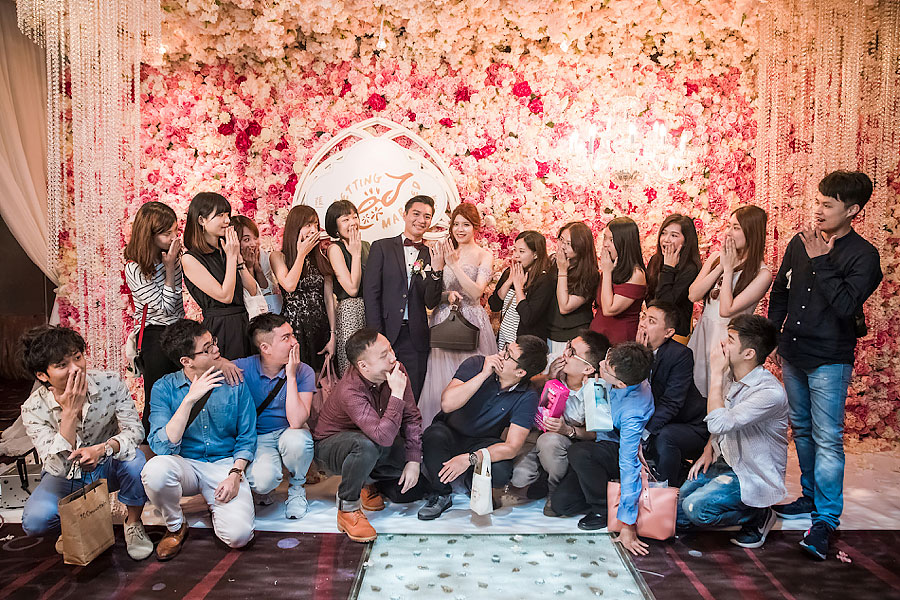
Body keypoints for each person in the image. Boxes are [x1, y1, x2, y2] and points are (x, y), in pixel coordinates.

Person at [768, 171, 883, 560]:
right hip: (793, 351)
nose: (818, 210)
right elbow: (781, 292)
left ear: (852, 210)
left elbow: (847, 306)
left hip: (830, 358)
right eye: (817, 202)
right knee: (802, 429)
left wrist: (821, 260)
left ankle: (826, 519)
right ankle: (810, 496)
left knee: (828, 437)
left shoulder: (864, 256)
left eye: (828, 204)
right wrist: (772, 337)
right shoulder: (799, 242)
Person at [18, 326, 152, 560]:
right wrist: (69, 413)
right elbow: (56, 467)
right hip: (65, 474)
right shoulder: (33, 408)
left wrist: (103, 449)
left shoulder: (110, 382)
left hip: (108, 464)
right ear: (42, 375)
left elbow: (135, 431)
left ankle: (133, 523)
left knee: (135, 461)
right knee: (36, 521)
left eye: (77, 357)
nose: (75, 368)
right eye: (62, 365)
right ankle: (74, 526)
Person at [141, 319, 257, 560]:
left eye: (213, 342)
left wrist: (235, 474)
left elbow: (247, 436)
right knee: (154, 470)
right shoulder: (164, 388)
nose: (216, 349)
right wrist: (189, 400)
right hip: (186, 465)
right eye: (207, 348)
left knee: (239, 537)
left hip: (224, 464)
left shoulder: (233, 380)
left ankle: (212, 504)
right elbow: (161, 446)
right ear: (186, 361)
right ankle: (175, 525)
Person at [677, 315, 788, 549]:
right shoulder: (733, 375)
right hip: (727, 461)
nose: (722, 344)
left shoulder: (769, 393)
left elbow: (719, 423)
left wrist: (716, 374)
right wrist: (708, 449)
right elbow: (720, 418)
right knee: (678, 513)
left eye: (730, 340)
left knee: (695, 509)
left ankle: (758, 514)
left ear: (749, 353)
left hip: (752, 474)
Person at [313, 328, 427, 542]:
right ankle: (347, 509)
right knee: (366, 446)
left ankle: (366, 482)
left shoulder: (396, 369)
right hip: (331, 448)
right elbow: (382, 437)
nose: (393, 358)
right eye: (384, 355)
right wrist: (396, 394)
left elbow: (411, 417)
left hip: (373, 436)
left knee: (420, 456)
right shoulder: (350, 389)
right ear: (363, 366)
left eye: (390, 349)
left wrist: (413, 460)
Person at [416, 335, 549, 521]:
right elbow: (447, 404)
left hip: (483, 440)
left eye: (508, 354)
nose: (500, 354)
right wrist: (484, 374)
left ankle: (472, 481)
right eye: (505, 348)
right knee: (434, 436)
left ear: (520, 372)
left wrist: (470, 459)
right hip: (450, 431)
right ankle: (441, 494)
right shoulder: (477, 364)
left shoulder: (527, 396)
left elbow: (512, 447)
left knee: (502, 472)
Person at [550, 341, 655, 556]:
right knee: (562, 505)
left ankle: (602, 508)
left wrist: (628, 524)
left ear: (621, 384)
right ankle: (602, 489)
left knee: (579, 452)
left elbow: (629, 464)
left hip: (617, 449)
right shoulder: (626, 369)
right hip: (601, 442)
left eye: (606, 368)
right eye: (606, 359)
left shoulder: (633, 412)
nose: (600, 365)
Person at [511, 330, 610, 516]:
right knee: (518, 477)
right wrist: (549, 378)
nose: (565, 353)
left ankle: (553, 488)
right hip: (537, 433)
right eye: (568, 346)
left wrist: (568, 430)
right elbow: (525, 384)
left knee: (549, 441)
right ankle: (542, 476)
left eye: (572, 352)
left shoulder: (596, 389)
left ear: (588, 369)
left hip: (571, 444)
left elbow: (598, 434)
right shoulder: (556, 364)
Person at [420, 203, 498, 425]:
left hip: (471, 322)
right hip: (444, 320)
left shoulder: (484, 255)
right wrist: (447, 295)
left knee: (470, 375)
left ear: (476, 227)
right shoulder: (441, 250)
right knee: (440, 376)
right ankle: (438, 427)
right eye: (456, 224)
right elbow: (433, 294)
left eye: (466, 225)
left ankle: (469, 427)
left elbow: (476, 293)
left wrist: (454, 265)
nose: (460, 229)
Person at [233, 314, 316, 519]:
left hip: (290, 432)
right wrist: (223, 364)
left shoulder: (304, 371)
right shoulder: (243, 368)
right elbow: (210, 364)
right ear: (265, 348)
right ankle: (264, 489)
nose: (295, 342)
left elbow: (297, 421)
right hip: (259, 437)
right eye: (286, 338)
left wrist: (291, 375)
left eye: (293, 335)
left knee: (298, 441)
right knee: (263, 482)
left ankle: (297, 488)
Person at [363, 196, 442, 401]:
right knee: (382, 392)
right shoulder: (381, 247)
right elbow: (371, 294)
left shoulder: (431, 254)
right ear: (404, 214)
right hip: (386, 332)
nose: (421, 220)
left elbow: (431, 302)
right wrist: (376, 335)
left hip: (415, 335)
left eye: (427, 216)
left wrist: (437, 271)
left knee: (412, 392)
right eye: (416, 214)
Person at [688, 206, 772, 396]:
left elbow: (726, 310)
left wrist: (728, 270)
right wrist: (721, 266)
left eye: (736, 228)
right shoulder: (716, 258)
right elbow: (693, 295)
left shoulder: (762, 274)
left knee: (719, 395)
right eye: (728, 226)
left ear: (751, 232)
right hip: (703, 333)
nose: (728, 232)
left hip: (728, 341)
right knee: (694, 394)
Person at [124, 201, 185, 439]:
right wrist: (169, 268)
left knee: (183, 394)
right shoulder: (134, 268)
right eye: (167, 233)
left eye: (175, 231)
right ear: (149, 234)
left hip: (179, 331)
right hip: (155, 334)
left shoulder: (174, 256)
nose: (173, 238)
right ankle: (151, 449)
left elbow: (176, 307)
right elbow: (166, 307)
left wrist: (173, 263)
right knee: (157, 397)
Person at [637, 302, 709, 486]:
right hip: (659, 421)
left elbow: (672, 402)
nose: (643, 324)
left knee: (664, 437)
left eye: (651, 321)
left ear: (668, 333)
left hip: (690, 424)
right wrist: (638, 356)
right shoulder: (633, 349)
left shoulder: (680, 355)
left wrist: (643, 432)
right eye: (643, 317)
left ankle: (666, 492)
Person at [182, 193, 259, 360]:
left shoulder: (227, 248)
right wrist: (231, 257)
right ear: (201, 220)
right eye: (220, 215)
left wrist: (237, 259)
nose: (227, 220)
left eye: (227, 215)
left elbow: (252, 289)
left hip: (244, 322)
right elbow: (225, 296)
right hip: (221, 328)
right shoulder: (190, 259)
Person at [270, 205, 336, 373]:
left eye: (316, 224)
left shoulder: (321, 259)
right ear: (295, 227)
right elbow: (289, 285)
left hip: (320, 328)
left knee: (322, 380)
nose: (313, 230)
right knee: (298, 378)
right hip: (294, 330)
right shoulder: (278, 257)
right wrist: (301, 254)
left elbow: (328, 299)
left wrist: (333, 335)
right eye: (308, 225)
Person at [488, 230, 555, 351]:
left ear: (536, 254)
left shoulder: (544, 280)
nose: (516, 255)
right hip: (504, 343)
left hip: (524, 347)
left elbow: (528, 318)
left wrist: (519, 288)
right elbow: (494, 305)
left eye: (522, 251)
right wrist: (509, 281)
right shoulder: (509, 273)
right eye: (515, 250)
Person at [325, 200, 370, 376]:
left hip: (369, 309)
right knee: (352, 368)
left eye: (354, 217)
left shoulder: (366, 245)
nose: (352, 222)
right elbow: (352, 289)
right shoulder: (335, 249)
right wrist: (356, 254)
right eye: (345, 219)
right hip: (350, 311)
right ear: (335, 227)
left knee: (370, 365)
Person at [548, 222, 600, 363]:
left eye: (569, 244)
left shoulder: (590, 274)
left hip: (571, 336)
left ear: (581, 247)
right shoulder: (553, 261)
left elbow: (565, 307)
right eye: (561, 240)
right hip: (549, 331)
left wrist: (562, 270)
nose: (562, 246)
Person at [646, 214, 702, 342]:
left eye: (674, 235)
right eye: (664, 233)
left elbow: (665, 304)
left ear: (686, 241)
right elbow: (650, 297)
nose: (666, 240)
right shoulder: (656, 260)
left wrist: (668, 268)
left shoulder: (691, 268)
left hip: (675, 335)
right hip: (653, 330)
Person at [591, 217, 647, 344]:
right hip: (597, 338)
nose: (605, 244)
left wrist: (606, 272)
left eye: (611, 240)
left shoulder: (636, 274)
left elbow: (609, 309)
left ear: (625, 242)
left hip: (619, 342)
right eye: (605, 238)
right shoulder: (612, 266)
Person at [231, 214, 283, 316]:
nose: (253, 244)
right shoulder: (229, 259)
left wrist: (258, 269)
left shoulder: (263, 256)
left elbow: (268, 292)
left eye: (255, 238)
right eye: (246, 239)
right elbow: (250, 295)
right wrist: (248, 268)